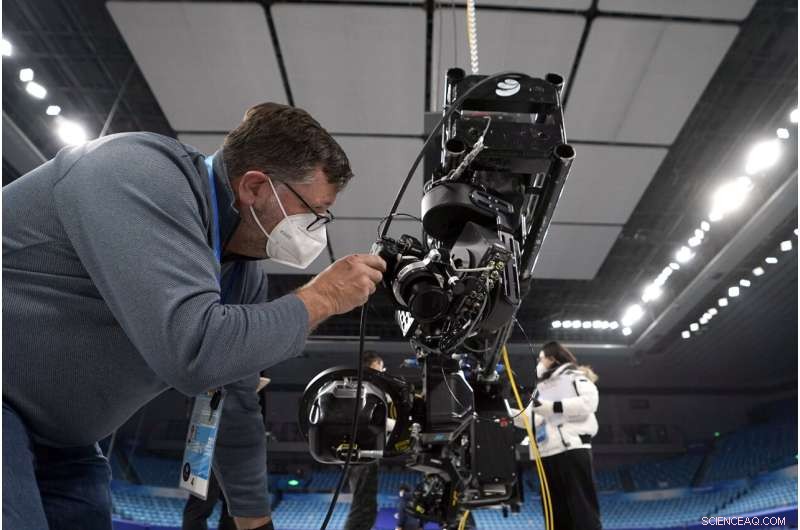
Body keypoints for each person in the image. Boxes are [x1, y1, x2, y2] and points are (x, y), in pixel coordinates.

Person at [3, 102, 386, 530]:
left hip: (66, 443)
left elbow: (232, 402)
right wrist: (323, 297)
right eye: (313, 213)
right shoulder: (137, 174)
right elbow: (194, 351)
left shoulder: (241, 276)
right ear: (255, 187)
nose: (318, 228)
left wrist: (255, 522)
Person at [510, 341, 602, 530]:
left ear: (552, 359)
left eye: (541, 359)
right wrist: (507, 414)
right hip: (546, 454)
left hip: (571, 449)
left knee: (581, 509)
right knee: (554, 512)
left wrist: (553, 407)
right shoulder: (541, 389)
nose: (539, 363)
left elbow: (589, 402)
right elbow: (532, 419)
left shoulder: (575, 377)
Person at [343, 351, 387, 530]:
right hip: (361, 454)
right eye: (380, 368)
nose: (382, 372)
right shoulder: (362, 390)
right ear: (372, 366)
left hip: (364, 453)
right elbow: (370, 420)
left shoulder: (365, 389)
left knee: (367, 508)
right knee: (363, 509)